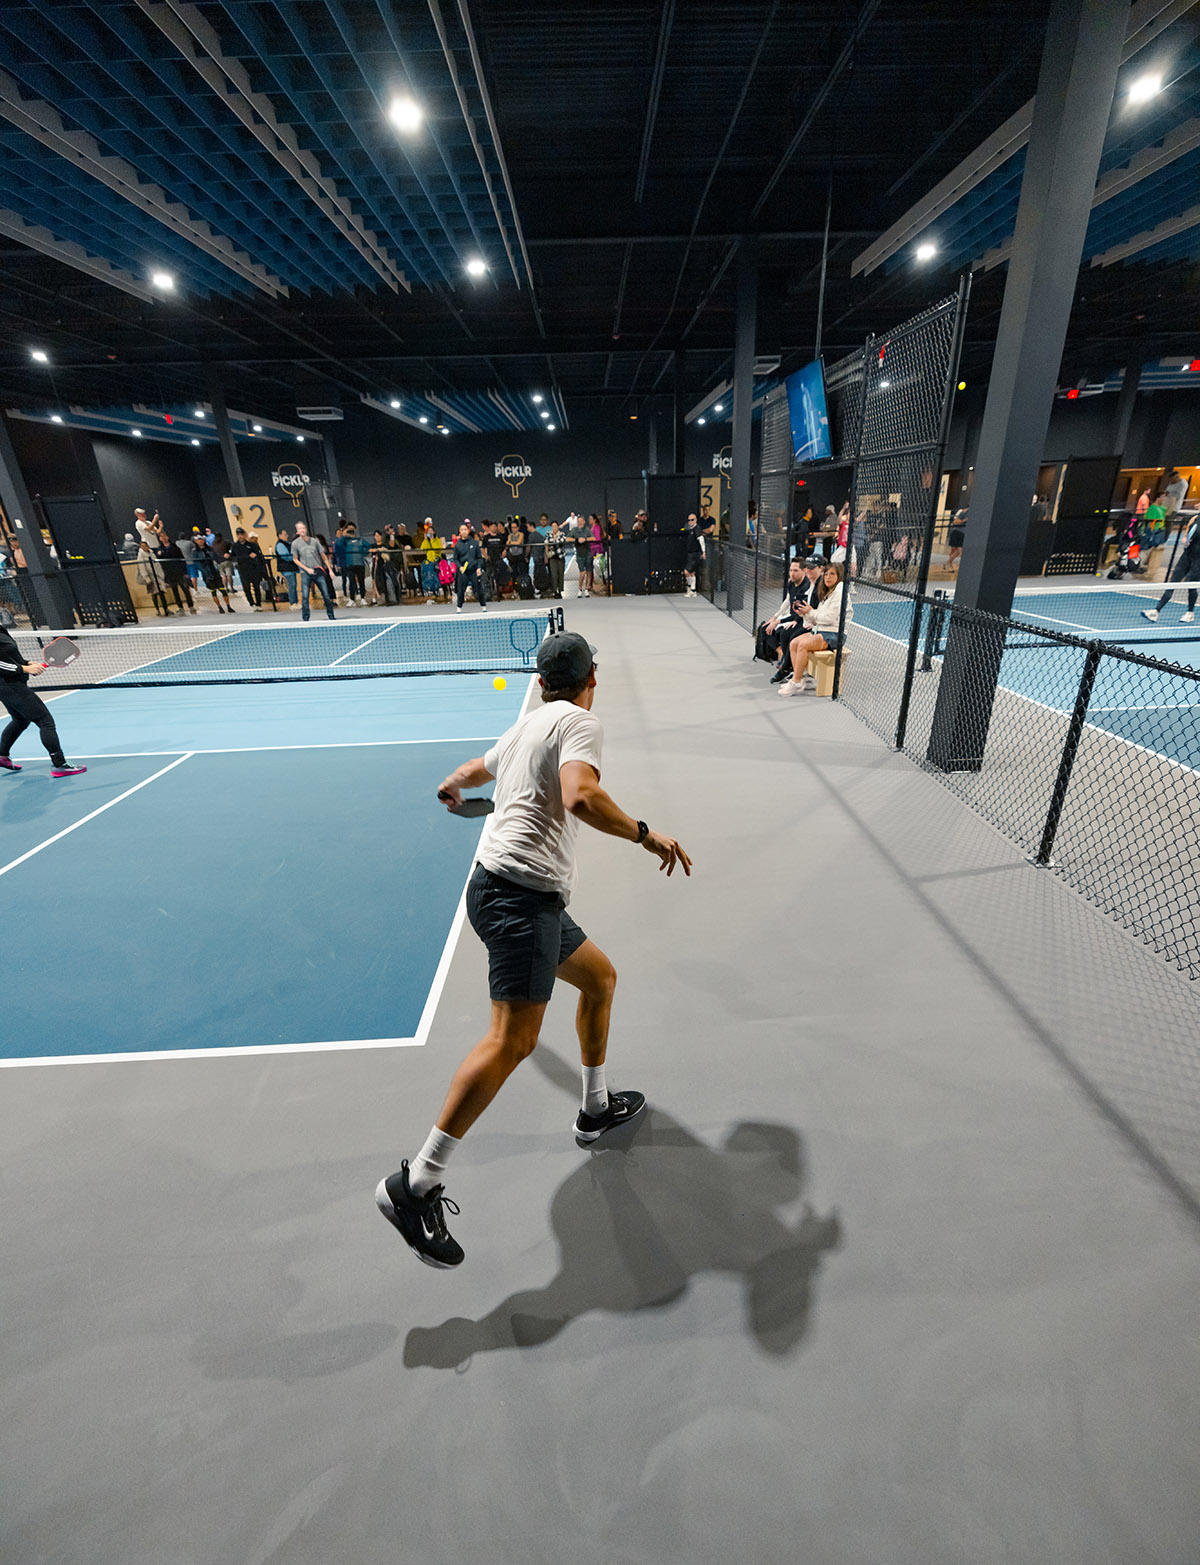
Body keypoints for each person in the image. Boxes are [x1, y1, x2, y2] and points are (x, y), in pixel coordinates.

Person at [374, 630, 692, 1267]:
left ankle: (594, 1109)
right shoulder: (577, 723)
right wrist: (646, 834)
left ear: (543, 681)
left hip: (505, 890)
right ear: (590, 678)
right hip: (519, 901)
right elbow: (580, 796)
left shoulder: (527, 724)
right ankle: (416, 1185)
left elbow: (473, 771)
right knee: (510, 1041)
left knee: (599, 978)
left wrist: (452, 786)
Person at [0, 624, 85, 777]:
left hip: (11, 683)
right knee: (45, 721)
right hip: (8, 685)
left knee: (20, 720)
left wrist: (26, 663)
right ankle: (60, 765)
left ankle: (2, 756)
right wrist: (23, 669)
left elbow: (6, 655)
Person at [779, 562, 852, 696]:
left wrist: (811, 612)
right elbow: (817, 617)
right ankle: (800, 679)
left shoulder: (840, 592)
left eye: (832, 574)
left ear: (839, 576)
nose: (828, 577)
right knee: (794, 642)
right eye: (826, 574)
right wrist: (805, 613)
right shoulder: (828, 593)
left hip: (835, 634)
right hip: (822, 630)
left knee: (803, 645)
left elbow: (828, 618)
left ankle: (795, 682)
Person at [1142, 516, 1199, 624]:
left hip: (1199, 560)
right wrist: (1185, 539)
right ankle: (1156, 611)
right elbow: (1187, 535)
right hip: (1186, 556)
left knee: (1191, 584)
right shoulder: (1194, 518)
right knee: (1172, 583)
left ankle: (1190, 613)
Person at [292, 522, 336, 620]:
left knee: (326, 594)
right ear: (297, 531)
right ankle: (306, 618)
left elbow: (324, 556)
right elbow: (295, 559)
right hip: (305, 573)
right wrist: (307, 569)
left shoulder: (314, 542)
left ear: (306, 529)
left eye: (303, 528)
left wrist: (330, 570)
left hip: (318, 571)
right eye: (300, 529)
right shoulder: (295, 544)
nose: (302, 530)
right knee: (305, 596)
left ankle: (331, 616)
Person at [193, 533, 236, 613]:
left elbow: (216, 557)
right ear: (195, 541)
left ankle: (228, 606)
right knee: (213, 591)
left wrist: (221, 559)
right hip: (207, 574)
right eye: (199, 539)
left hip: (214, 571)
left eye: (202, 539)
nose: (201, 541)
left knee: (222, 589)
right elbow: (198, 563)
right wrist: (205, 572)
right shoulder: (195, 552)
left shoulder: (210, 549)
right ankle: (219, 607)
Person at [156, 534, 197, 614]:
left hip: (179, 572)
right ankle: (180, 607)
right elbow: (160, 561)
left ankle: (191, 606)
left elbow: (181, 559)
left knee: (185, 590)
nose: (163, 538)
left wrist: (184, 572)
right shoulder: (160, 549)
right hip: (170, 573)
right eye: (161, 537)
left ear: (167, 537)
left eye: (164, 536)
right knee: (175, 591)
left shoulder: (175, 547)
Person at [451, 521, 487, 611]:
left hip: (474, 571)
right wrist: (460, 567)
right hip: (463, 572)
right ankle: (459, 608)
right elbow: (455, 559)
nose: (463, 531)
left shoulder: (474, 543)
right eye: (461, 530)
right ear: (459, 532)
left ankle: (483, 606)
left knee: (479, 590)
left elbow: (479, 557)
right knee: (461, 591)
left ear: (468, 531)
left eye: (465, 529)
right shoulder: (457, 545)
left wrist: (479, 567)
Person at [230, 528, 267, 610]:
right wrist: (246, 557)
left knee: (256, 587)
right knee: (246, 588)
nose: (240, 536)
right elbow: (233, 557)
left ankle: (258, 603)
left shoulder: (252, 545)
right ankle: (251, 603)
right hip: (243, 570)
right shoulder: (235, 546)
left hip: (253, 569)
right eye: (238, 535)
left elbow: (259, 555)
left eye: (242, 534)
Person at [136, 539, 171, 617]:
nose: (144, 547)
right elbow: (142, 568)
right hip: (151, 578)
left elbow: (157, 564)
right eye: (142, 546)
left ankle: (166, 609)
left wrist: (161, 574)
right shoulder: (141, 556)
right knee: (154, 595)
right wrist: (147, 579)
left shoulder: (151, 553)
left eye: (145, 546)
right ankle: (158, 610)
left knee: (162, 593)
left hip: (158, 576)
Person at [419, 519, 444, 601]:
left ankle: (438, 588)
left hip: (436, 560)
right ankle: (430, 589)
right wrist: (426, 539)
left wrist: (432, 539)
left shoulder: (437, 540)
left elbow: (438, 548)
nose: (429, 532)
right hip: (429, 560)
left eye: (431, 531)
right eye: (428, 531)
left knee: (436, 574)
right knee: (429, 573)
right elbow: (422, 548)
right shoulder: (427, 541)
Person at [569, 512, 593, 597]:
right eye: (578, 521)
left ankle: (586, 589)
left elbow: (593, 538)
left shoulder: (587, 530)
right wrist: (577, 540)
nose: (579, 522)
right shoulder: (574, 530)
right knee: (582, 573)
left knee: (589, 573)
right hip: (580, 554)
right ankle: (580, 589)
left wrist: (585, 539)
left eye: (581, 521)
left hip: (588, 553)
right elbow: (568, 538)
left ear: (584, 522)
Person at [275, 528, 299, 607]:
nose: (287, 536)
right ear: (279, 535)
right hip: (287, 568)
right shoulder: (280, 545)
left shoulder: (286, 544)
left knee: (293, 585)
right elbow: (286, 556)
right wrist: (294, 558)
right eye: (285, 534)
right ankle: (293, 603)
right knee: (292, 585)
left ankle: (295, 602)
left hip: (291, 568)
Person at [684, 512, 705, 597]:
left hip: (695, 554)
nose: (690, 522)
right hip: (690, 554)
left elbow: (701, 539)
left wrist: (703, 551)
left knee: (686, 571)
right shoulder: (691, 529)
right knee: (692, 572)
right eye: (689, 520)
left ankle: (690, 588)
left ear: (695, 520)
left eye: (692, 520)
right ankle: (693, 590)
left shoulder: (697, 529)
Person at [544, 519, 566, 599]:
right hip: (552, 557)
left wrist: (553, 543)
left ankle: (560, 591)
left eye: (556, 526)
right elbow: (547, 542)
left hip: (560, 557)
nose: (554, 528)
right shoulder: (548, 534)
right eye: (553, 526)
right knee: (553, 575)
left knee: (560, 574)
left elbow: (562, 541)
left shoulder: (562, 534)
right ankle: (555, 591)